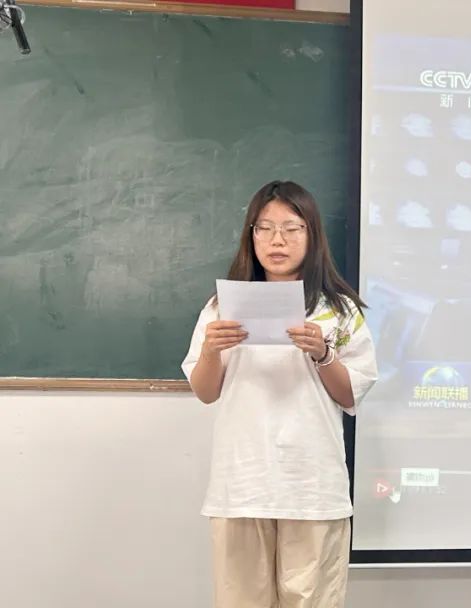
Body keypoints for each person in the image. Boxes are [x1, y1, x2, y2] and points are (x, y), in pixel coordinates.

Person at [181, 180, 377, 608]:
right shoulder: (221, 308)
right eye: (265, 228)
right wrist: (212, 350)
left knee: (311, 600)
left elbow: (351, 395)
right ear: (251, 236)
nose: (277, 240)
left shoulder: (339, 310)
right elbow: (205, 392)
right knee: (241, 600)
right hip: (242, 483)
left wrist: (324, 354)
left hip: (312, 484)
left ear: (312, 234)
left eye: (292, 228)